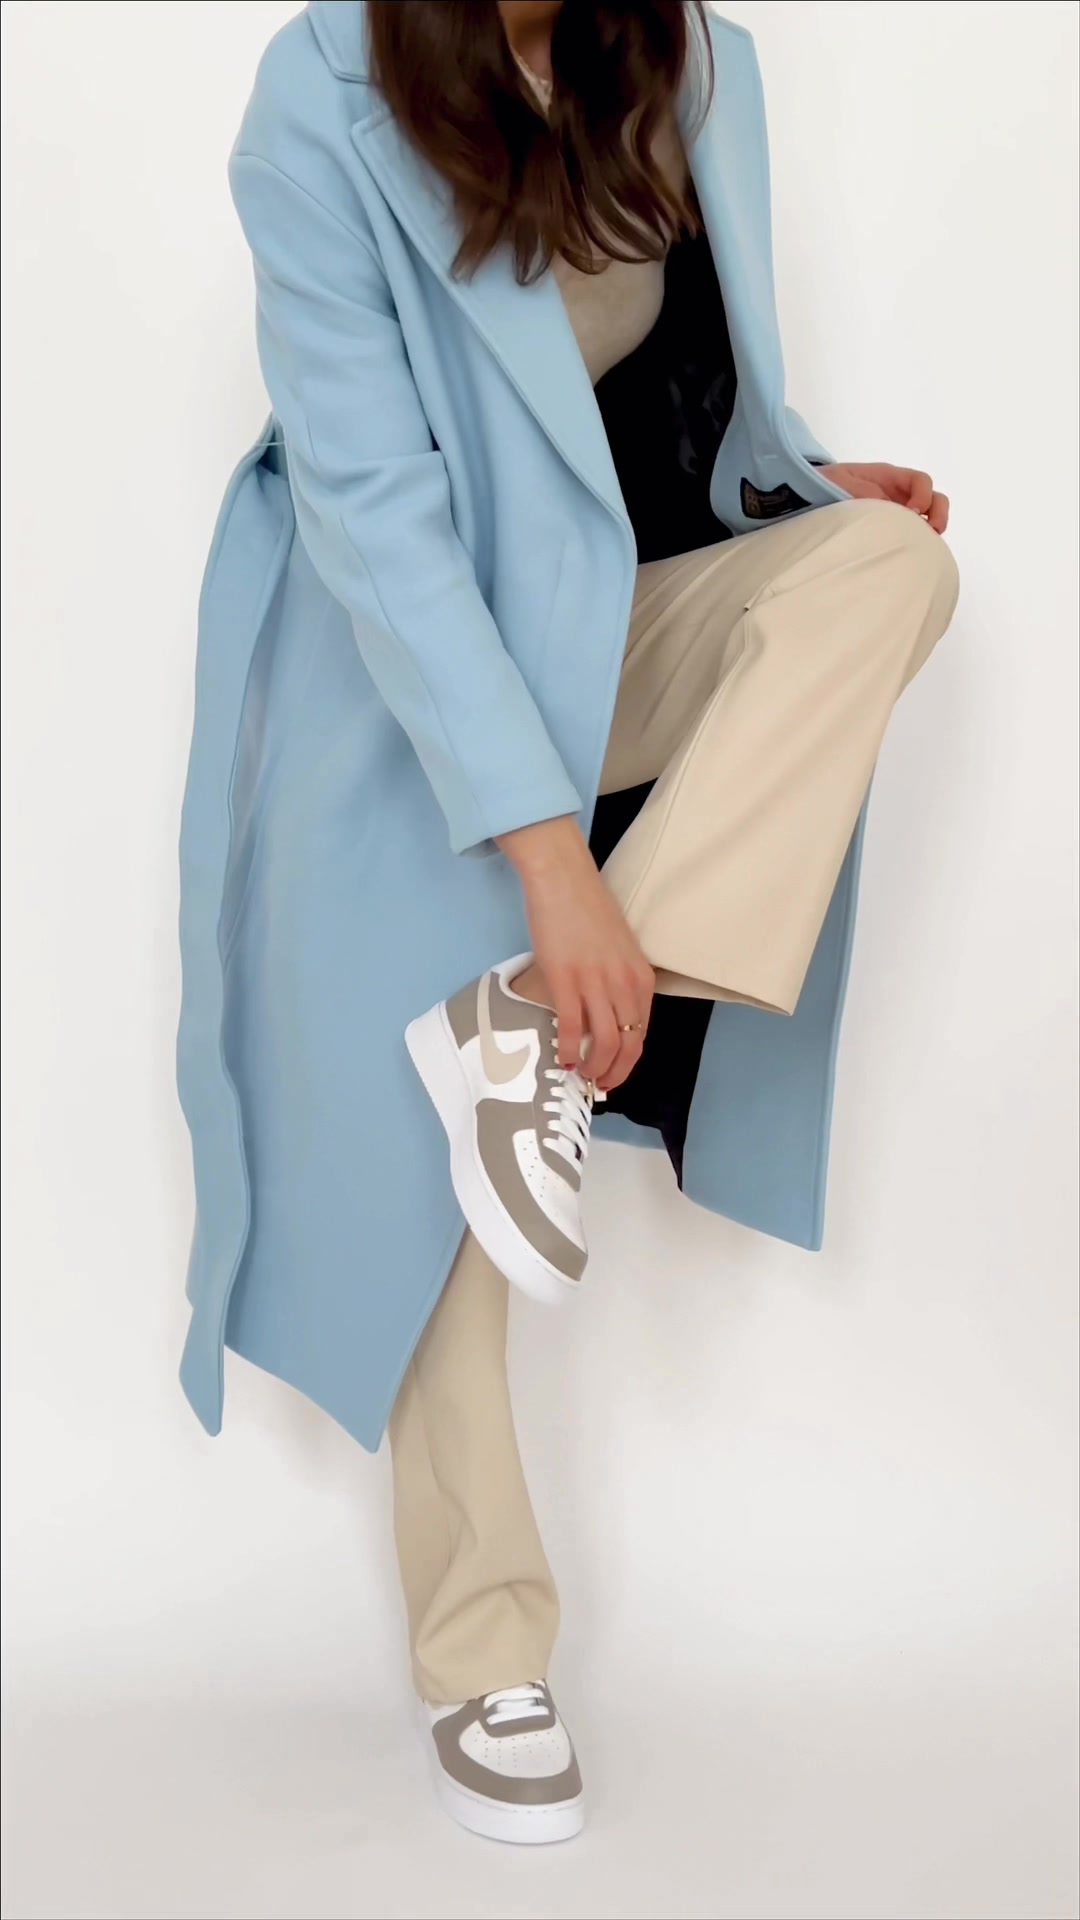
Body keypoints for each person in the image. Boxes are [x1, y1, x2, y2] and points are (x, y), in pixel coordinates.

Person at [177, 0, 958, 1844]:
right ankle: (484, 1651)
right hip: (401, 696)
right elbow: (377, 515)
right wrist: (550, 860)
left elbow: (682, 376)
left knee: (881, 566)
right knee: (428, 1198)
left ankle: (522, 1025)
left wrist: (788, 486)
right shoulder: (321, 98)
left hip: (606, 633)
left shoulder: (689, 61)